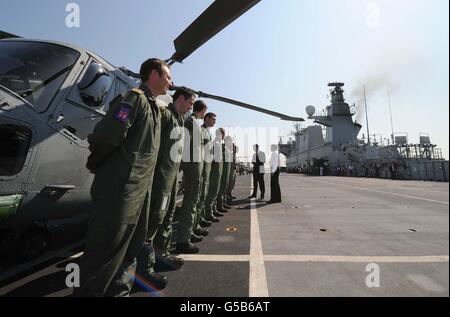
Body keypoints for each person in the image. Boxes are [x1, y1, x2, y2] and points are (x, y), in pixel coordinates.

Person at [74, 58, 171, 297]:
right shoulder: (134, 100)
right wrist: (97, 163)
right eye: (168, 76)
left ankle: (119, 292)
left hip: (139, 193)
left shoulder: (153, 108)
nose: (172, 82)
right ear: (154, 75)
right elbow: (108, 135)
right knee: (104, 251)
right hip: (121, 191)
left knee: (130, 249)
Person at [136, 87, 195, 289]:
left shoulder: (179, 120)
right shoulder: (166, 116)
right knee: (152, 222)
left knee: (166, 218)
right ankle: (144, 268)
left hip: (171, 181)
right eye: (190, 103)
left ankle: (161, 255)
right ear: (180, 99)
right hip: (160, 180)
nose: (190, 107)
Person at [174, 100, 208, 254]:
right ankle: (183, 240)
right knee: (190, 202)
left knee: (193, 201)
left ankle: (188, 233)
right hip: (192, 168)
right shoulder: (190, 122)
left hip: (196, 168)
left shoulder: (195, 123)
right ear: (202, 110)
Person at [192, 112, 217, 236]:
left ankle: (199, 221)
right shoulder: (200, 130)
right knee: (198, 197)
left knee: (202, 196)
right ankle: (194, 225)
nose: (214, 122)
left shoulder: (207, 132)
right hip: (200, 167)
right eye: (213, 119)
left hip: (206, 167)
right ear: (206, 118)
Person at [203, 128, 225, 222]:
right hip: (215, 171)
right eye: (223, 134)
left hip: (218, 171)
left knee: (215, 191)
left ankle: (213, 210)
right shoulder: (215, 144)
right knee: (212, 192)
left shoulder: (218, 144)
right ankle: (208, 214)